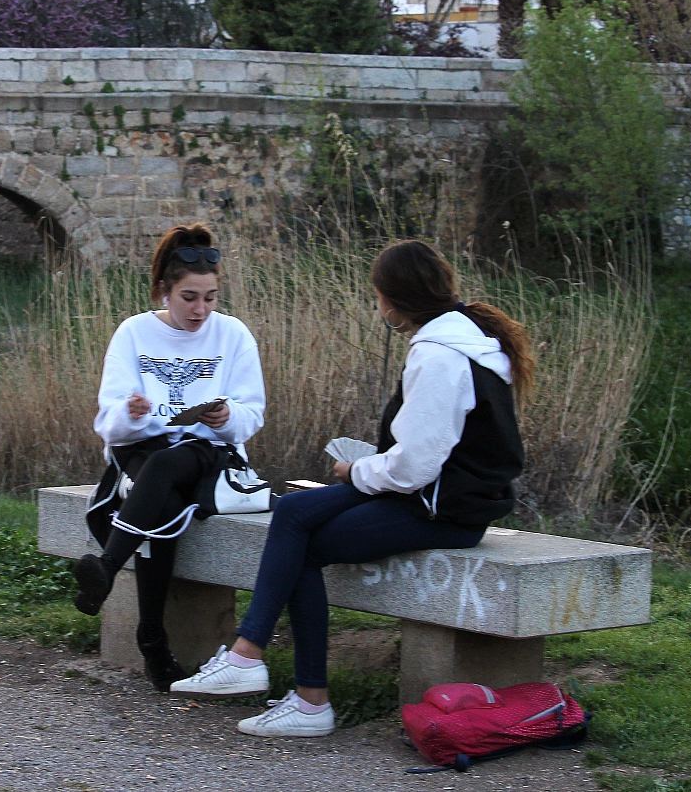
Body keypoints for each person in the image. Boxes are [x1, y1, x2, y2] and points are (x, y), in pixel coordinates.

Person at [169, 238, 533, 738]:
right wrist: (371, 469)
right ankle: (264, 668)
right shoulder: (468, 338)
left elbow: (415, 467)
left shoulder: (441, 356)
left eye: (376, 293)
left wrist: (355, 472)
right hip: (443, 499)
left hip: (439, 509)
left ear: (391, 300)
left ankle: (289, 685)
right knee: (295, 514)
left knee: (300, 538)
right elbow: (435, 453)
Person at [74, 223, 266, 692]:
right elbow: (109, 424)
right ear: (164, 290)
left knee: (160, 472)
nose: (201, 310)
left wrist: (225, 417)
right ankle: (152, 643)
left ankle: (107, 567)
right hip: (142, 446)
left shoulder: (234, 335)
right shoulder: (133, 333)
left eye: (211, 297)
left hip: (207, 450)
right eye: (189, 297)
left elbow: (252, 414)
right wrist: (132, 413)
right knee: (156, 496)